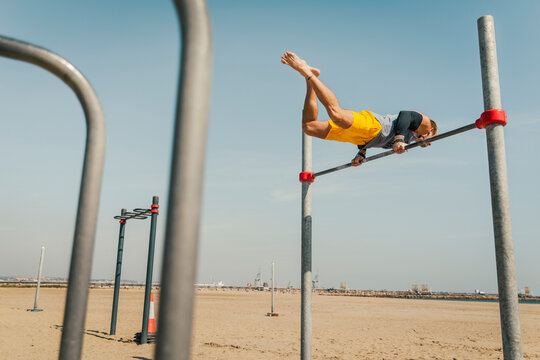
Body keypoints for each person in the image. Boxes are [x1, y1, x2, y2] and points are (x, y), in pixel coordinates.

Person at [281, 51, 437, 166]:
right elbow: (406, 115)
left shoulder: (411, 138)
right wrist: (400, 139)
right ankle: (306, 72)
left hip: (362, 138)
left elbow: (384, 140)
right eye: (430, 140)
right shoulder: (425, 125)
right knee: (337, 114)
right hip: (374, 126)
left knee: (309, 127)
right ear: (430, 131)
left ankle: (311, 79)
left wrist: (362, 153)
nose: (427, 143)